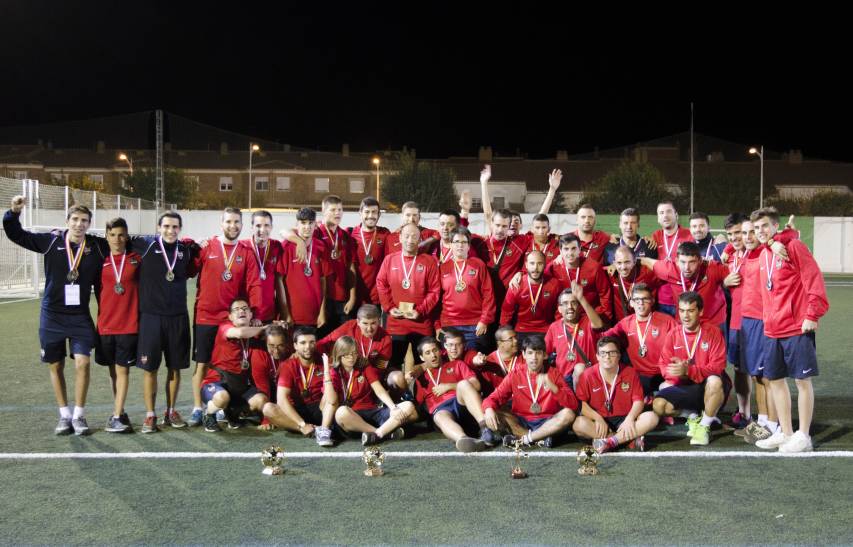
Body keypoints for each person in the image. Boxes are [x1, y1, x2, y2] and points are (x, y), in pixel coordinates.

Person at [4, 196, 107, 435]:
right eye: (75, 220)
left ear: (89, 224)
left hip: (79, 315)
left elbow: (122, 242)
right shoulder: (51, 241)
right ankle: (64, 415)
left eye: (84, 221)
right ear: (67, 221)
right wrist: (14, 212)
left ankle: (79, 415)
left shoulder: (96, 246)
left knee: (82, 362)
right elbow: (17, 234)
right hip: (52, 315)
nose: (79, 224)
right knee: (56, 365)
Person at [752, 207, 828, 452]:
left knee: (802, 381)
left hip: (797, 326)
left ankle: (803, 436)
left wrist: (812, 314)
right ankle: (785, 433)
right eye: (756, 228)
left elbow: (813, 278)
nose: (760, 231)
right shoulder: (765, 253)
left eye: (765, 226)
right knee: (774, 380)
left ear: (776, 226)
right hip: (772, 328)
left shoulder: (793, 247)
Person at [131, 211, 199, 433]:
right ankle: (150, 415)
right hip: (151, 317)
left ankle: (171, 411)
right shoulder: (146, 245)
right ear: (159, 227)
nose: (171, 231)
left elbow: (196, 254)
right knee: (149, 368)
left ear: (180, 229)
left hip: (178, 317)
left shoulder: (185, 250)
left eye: (175, 227)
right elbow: (118, 239)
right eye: (167, 226)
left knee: (175, 368)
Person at [189, 207, 253, 427]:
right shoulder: (208, 247)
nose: (232, 226)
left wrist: (248, 314)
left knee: (227, 365)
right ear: (221, 223)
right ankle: (198, 407)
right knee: (203, 364)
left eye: (236, 222)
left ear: (241, 225)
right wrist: (192, 243)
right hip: (206, 317)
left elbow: (248, 286)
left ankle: (220, 407)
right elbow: (189, 268)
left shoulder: (245, 251)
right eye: (228, 222)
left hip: (231, 320)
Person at [652, 292, 730, 446]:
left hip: (709, 386)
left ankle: (704, 426)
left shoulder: (713, 332)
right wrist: (675, 374)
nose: (685, 316)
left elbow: (718, 366)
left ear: (700, 312)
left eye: (690, 311)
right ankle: (694, 416)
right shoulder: (673, 334)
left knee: (715, 380)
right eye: (681, 311)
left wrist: (689, 371)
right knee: (658, 404)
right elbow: (664, 365)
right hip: (686, 386)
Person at [483, 334, 579, 448]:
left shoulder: (554, 373)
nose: (534, 357)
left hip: (548, 421)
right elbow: (492, 398)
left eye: (538, 353)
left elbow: (573, 405)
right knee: (493, 412)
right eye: (530, 353)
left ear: (544, 355)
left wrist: (553, 387)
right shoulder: (515, 374)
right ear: (523, 355)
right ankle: (539, 438)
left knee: (568, 414)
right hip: (522, 422)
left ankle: (527, 439)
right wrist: (488, 409)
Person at [94, 217, 141, 433]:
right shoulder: (99, 260)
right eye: (112, 235)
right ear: (106, 236)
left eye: (121, 235)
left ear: (127, 236)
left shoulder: (136, 259)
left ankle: (116, 416)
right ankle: (119, 410)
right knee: (113, 371)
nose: (117, 239)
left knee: (123, 371)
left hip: (129, 325)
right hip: (105, 326)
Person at [573, 336, 659, 453]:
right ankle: (627, 440)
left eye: (612, 353)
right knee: (578, 424)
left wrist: (630, 418)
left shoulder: (630, 372)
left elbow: (638, 401)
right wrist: (597, 418)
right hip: (600, 420)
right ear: (597, 356)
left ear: (619, 355)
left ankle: (609, 442)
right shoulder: (587, 375)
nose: (607, 357)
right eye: (603, 353)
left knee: (651, 418)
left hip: (624, 419)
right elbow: (581, 404)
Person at [409, 336, 494, 452]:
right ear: (421, 357)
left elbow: (476, 385)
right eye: (427, 353)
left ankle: (485, 429)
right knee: (439, 416)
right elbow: (419, 405)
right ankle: (464, 440)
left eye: (435, 350)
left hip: (462, 405)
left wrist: (449, 386)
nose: (433, 355)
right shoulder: (420, 379)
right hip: (441, 411)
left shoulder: (457, 364)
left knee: (463, 384)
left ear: (441, 351)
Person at [329, 336, 418, 445]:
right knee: (341, 412)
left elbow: (379, 390)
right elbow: (331, 401)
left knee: (408, 406)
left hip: (373, 412)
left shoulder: (364, 366)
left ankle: (377, 435)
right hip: (352, 417)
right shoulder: (334, 372)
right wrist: (326, 375)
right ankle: (383, 432)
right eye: (347, 354)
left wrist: (393, 407)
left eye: (354, 353)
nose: (351, 357)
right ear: (339, 355)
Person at [376, 223, 441, 370]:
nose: (410, 240)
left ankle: (424, 393)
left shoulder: (429, 261)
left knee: (425, 366)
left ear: (420, 239)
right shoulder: (389, 260)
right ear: (400, 237)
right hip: (396, 323)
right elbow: (381, 283)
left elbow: (435, 290)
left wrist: (420, 310)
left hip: (421, 322)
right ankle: (394, 392)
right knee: (392, 365)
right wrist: (389, 308)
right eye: (406, 236)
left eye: (414, 236)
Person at [200, 299, 270, 432]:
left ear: (250, 315)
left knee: (261, 400)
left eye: (244, 308)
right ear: (230, 317)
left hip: (239, 386)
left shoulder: (253, 333)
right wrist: (263, 328)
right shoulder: (225, 327)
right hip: (216, 382)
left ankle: (232, 413)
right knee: (222, 398)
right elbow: (240, 333)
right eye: (236, 309)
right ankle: (208, 414)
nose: (241, 311)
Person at [262, 327, 339, 446]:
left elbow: (333, 398)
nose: (307, 347)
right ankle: (311, 430)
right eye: (303, 343)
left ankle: (323, 430)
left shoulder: (324, 360)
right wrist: (302, 424)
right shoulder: (288, 365)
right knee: (268, 408)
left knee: (331, 395)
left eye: (311, 342)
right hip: (297, 411)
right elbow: (281, 399)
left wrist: (328, 369)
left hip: (321, 409)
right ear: (295, 346)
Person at [603, 283, 678, 398]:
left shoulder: (667, 321)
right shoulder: (625, 323)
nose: (641, 303)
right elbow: (604, 338)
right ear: (631, 303)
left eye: (645, 299)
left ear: (652, 301)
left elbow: (681, 345)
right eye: (637, 300)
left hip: (664, 374)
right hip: (640, 376)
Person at [436, 227, 495, 352]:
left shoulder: (478, 264)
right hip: (449, 324)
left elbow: (488, 294)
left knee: (475, 361)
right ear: (451, 244)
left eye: (464, 242)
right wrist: (437, 326)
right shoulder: (442, 268)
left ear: (469, 246)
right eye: (456, 242)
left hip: (475, 325)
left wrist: (484, 320)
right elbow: (435, 300)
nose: (460, 245)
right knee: (452, 364)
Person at [544, 234, 612, 324]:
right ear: (560, 251)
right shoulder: (553, 267)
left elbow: (605, 294)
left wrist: (605, 318)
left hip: (588, 316)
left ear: (579, 249)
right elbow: (541, 279)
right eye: (566, 249)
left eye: (573, 248)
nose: (570, 253)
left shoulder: (594, 267)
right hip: (563, 317)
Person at [545, 285, 604, 388]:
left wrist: (581, 298)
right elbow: (544, 352)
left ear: (580, 306)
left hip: (588, 376)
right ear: (559, 309)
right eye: (565, 304)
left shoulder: (587, 320)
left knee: (580, 368)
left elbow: (599, 325)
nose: (570, 307)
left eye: (574, 302)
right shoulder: (554, 327)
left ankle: (582, 403)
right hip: (563, 379)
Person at [280, 208, 330, 329]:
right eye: (303, 223)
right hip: (293, 317)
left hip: (315, 316)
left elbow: (324, 282)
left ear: (315, 224)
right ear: (297, 225)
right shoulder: (286, 246)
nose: (307, 226)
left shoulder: (321, 246)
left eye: (310, 223)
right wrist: (286, 314)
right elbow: (279, 281)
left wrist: (322, 312)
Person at [500, 250, 561, 342]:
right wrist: (504, 334)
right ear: (526, 265)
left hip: (546, 330)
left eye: (539, 264)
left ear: (545, 265)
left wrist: (559, 332)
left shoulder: (554, 284)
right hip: (521, 330)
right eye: (532, 263)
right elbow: (506, 312)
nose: (535, 268)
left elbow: (559, 312)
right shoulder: (516, 284)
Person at [651, 200, 692, 316]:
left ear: (676, 215)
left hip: (684, 299)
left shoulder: (689, 235)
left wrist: (718, 238)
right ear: (658, 219)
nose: (665, 215)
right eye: (661, 213)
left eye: (669, 211)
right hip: (662, 300)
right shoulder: (654, 237)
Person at [244, 209, 285, 323]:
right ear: (251, 227)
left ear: (271, 227)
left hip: (270, 314)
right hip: (248, 315)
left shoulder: (276, 246)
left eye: (266, 225)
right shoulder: (243, 246)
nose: (262, 230)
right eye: (258, 225)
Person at [348, 197, 390, 307]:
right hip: (353, 297)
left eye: (374, 212)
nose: (371, 215)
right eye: (367, 212)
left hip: (376, 297)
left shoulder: (385, 234)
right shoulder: (349, 233)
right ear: (360, 213)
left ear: (379, 215)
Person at [249, 324, 289, 430]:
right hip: (260, 389)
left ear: (286, 343)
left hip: (280, 388)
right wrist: (267, 419)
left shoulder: (291, 352)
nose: (276, 350)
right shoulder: (258, 355)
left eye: (280, 345)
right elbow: (263, 388)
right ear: (265, 342)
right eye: (271, 345)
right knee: (260, 399)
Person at [606, 245, 658, 323]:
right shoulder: (610, 274)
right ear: (614, 263)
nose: (623, 267)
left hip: (646, 324)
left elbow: (667, 270)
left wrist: (644, 260)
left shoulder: (647, 273)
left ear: (634, 261)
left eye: (627, 262)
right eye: (619, 263)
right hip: (622, 325)